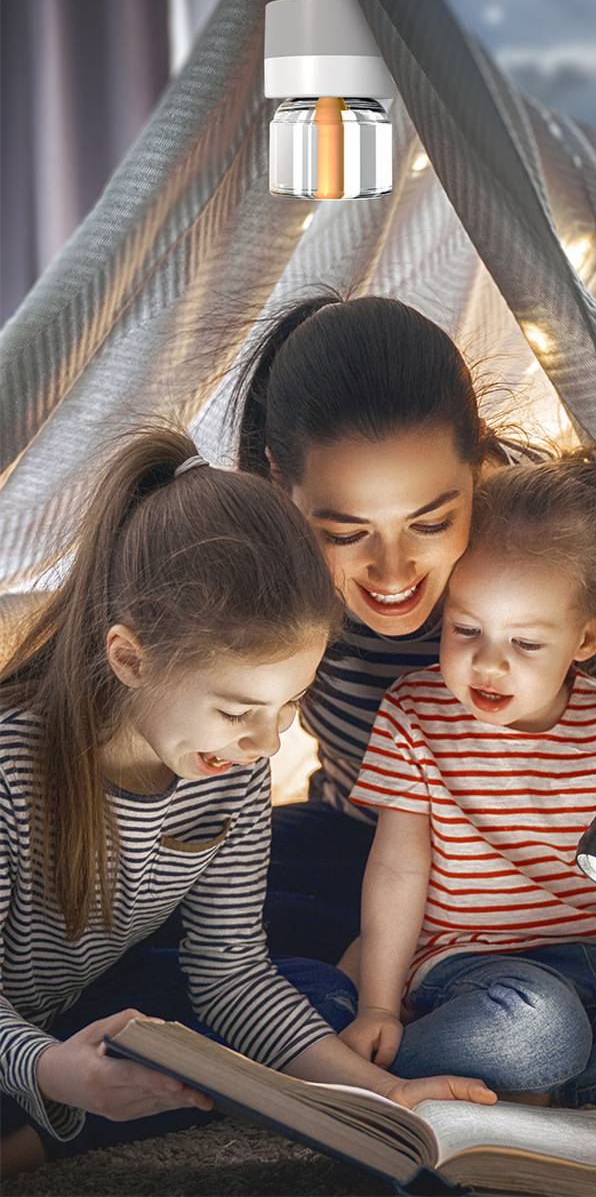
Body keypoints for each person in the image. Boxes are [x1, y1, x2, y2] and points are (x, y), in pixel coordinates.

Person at [0, 428, 495, 1179]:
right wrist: (47, 1071)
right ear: (130, 657)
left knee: (313, 1008)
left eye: (291, 703)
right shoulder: (14, 770)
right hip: (27, 1041)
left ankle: (62, 1115)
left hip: (72, 1014)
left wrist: (389, 1098)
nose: (266, 744)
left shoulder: (230, 766)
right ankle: (44, 1133)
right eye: (237, 712)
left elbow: (230, 972)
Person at [234, 294, 596, 973]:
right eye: (346, 533)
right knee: (218, 927)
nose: (393, 574)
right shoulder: (259, 569)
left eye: (431, 521)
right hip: (372, 850)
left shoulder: (575, 549)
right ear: (282, 482)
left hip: (582, 873)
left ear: (478, 457)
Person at [341, 451, 596, 1105]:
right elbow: (397, 870)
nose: (488, 665)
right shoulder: (413, 714)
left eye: (525, 643)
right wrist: (380, 1009)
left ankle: (555, 1089)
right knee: (534, 1029)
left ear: (585, 638)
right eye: (466, 628)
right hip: (480, 974)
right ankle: (359, 1074)